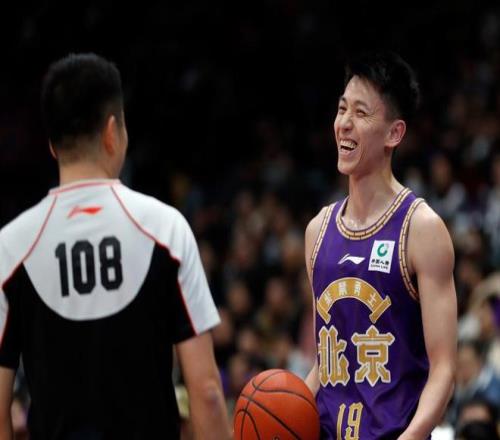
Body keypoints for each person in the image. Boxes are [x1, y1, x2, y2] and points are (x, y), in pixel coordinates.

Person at [0, 53, 231, 439]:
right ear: (112, 132)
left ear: (52, 145)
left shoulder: (11, 247)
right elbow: (207, 393)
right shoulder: (165, 230)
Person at [304, 51, 457, 439]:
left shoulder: (421, 228)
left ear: (394, 133)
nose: (344, 123)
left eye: (361, 113)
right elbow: (326, 361)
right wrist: (286, 411)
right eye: (342, 109)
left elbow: (444, 369)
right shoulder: (317, 231)